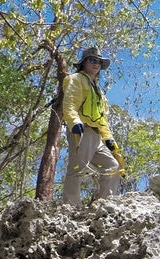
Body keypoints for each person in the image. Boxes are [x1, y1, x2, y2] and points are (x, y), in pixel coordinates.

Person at [61, 47, 124, 205]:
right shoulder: (75, 79)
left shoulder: (98, 91)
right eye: (93, 60)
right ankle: (70, 207)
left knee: (113, 166)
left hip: (96, 136)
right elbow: (70, 104)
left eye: (99, 62)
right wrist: (74, 122)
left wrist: (108, 138)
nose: (97, 64)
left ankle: (104, 205)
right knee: (77, 169)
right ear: (84, 63)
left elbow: (102, 118)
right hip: (82, 131)